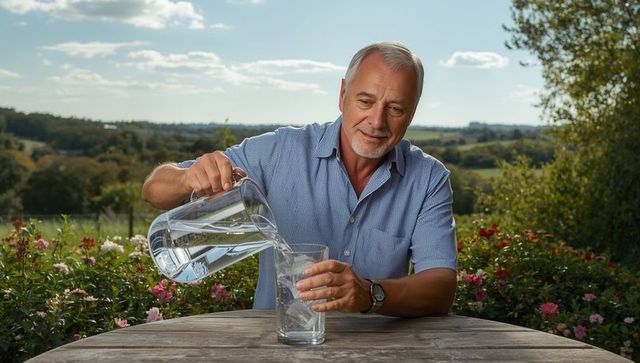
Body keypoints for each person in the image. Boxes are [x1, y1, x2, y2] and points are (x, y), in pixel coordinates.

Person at [142, 41, 457, 317]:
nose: (376, 121)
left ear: (412, 112)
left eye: (395, 108)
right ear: (343, 94)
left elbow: (441, 288)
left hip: (379, 351)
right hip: (278, 346)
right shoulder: (280, 151)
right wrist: (187, 178)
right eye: (365, 101)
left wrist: (370, 294)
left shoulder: (428, 178)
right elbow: (154, 189)